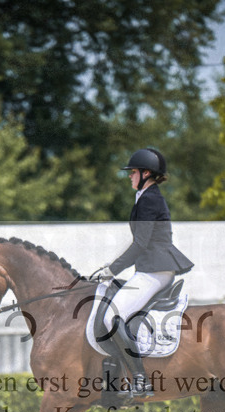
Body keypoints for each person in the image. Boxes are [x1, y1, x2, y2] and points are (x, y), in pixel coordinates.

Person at [92, 147, 194, 398]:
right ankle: (116, 380)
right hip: (151, 268)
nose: (129, 176)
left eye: (133, 172)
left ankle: (140, 381)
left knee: (111, 318)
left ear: (146, 173)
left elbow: (140, 244)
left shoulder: (150, 199)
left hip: (154, 269)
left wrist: (111, 269)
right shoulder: (145, 197)